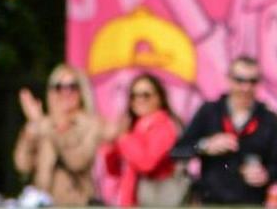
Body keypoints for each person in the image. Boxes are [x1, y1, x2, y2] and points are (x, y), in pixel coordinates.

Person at [171, 56, 277, 204]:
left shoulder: (269, 119)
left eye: (252, 81)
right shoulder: (209, 112)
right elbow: (178, 150)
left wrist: (267, 174)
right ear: (229, 80)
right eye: (239, 80)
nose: (246, 87)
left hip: (251, 203)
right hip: (211, 202)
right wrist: (205, 145)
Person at [14, 64, 101, 206]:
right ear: (51, 92)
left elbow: (77, 161)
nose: (66, 92)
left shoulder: (90, 124)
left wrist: (49, 129)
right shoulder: (44, 122)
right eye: (59, 87)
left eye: (72, 87)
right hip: (42, 202)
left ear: (81, 91)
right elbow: (22, 164)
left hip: (78, 203)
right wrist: (32, 127)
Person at [102, 73, 185, 207]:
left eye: (145, 95)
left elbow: (147, 163)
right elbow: (113, 170)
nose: (139, 100)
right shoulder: (134, 129)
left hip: (158, 199)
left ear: (159, 98)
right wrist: (111, 143)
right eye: (134, 96)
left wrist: (123, 138)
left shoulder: (164, 126)